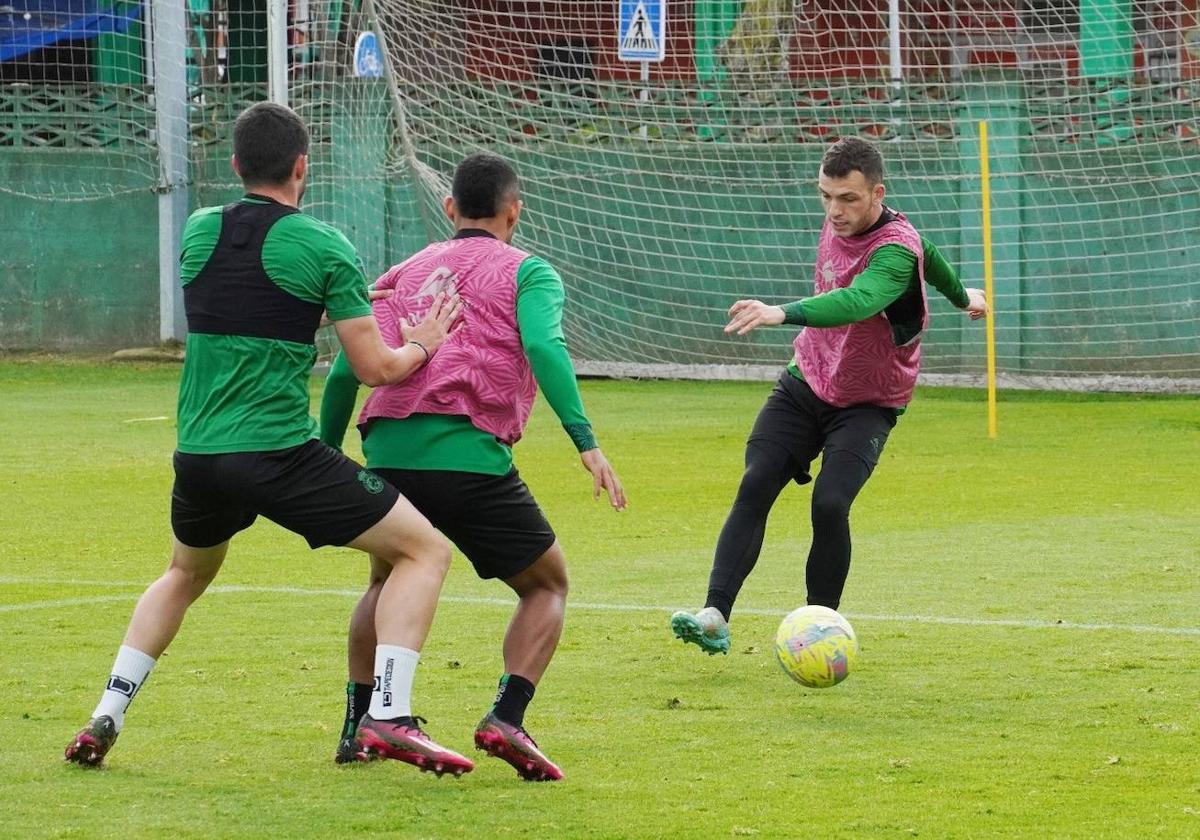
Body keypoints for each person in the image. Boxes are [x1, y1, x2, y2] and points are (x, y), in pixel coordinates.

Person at [64, 102, 476, 778]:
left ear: (234, 165)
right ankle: (390, 714)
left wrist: (327, 294)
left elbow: (252, 294)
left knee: (183, 573)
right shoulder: (323, 245)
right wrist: (422, 344)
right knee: (425, 550)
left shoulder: (198, 230)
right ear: (302, 167)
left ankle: (109, 708)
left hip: (198, 456)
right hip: (278, 454)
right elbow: (374, 368)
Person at [319, 151, 626, 781]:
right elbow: (543, 345)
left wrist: (324, 456)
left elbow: (349, 365)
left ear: (450, 208)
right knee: (547, 584)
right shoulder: (529, 272)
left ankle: (356, 727)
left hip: (389, 453)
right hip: (470, 463)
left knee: (385, 581)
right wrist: (584, 440)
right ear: (515, 212)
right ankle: (506, 717)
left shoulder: (405, 271)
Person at [670, 136, 988, 654]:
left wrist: (782, 311)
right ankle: (713, 614)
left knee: (831, 503)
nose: (835, 210)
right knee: (756, 482)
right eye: (826, 197)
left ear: (877, 193)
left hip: (870, 400)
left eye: (848, 199)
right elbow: (932, 253)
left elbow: (861, 298)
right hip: (808, 379)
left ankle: (820, 631)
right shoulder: (844, 215)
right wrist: (961, 295)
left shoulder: (893, 251)